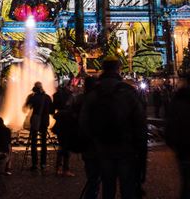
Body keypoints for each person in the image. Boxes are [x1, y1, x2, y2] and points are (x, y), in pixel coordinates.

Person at [80, 57, 148, 199]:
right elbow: (141, 124)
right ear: (119, 69)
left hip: (103, 149)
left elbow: (84, 122)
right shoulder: (129, 92)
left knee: (108, 187)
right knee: (128, 188)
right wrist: (140, 151)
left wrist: (95, 142)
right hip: (126, 149)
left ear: (103, 69)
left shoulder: (94, 93)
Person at [74, 76, 101, 199]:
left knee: (92, 177)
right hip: (99, 143)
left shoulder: (80, 99)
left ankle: (91, 195)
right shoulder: (99, 99)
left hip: (86, 144)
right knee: (102, 178)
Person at [24, 81, 53, 171]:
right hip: (44, 122)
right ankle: (43, 163)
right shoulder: (47, 97)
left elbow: (25, 108)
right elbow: (52, 111)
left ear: (34, 88)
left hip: (36, 121)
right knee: (44, 143)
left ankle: (34, 164)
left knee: (33, 142)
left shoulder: (33, 97)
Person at [52, 84, 75, 176]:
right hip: (68, 125)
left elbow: (52, 110)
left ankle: (58, 168)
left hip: (59, 126)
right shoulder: (70, 97)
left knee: (61, 146)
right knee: (67, 147)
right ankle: (65, 169)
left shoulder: (57, 97)